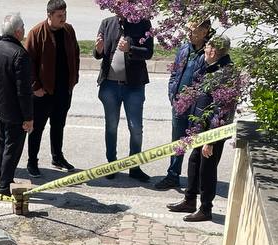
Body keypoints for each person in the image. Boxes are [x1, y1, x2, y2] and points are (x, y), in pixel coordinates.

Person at [168, 35, 237, 222]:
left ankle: (206, 209)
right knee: (194, 162)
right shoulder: (210, 66)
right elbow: (196, 83)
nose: (205, 48)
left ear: (215, 50)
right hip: (200, 126)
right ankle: (189, 200)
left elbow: (223, 109)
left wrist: (211, 139)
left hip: (213, 131)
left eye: (208, 46)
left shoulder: (226, 72)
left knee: (207, 170)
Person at [93, 11, 153, 181]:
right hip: (110, 86)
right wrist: (98, 49)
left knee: (136, 129)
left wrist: (130, 49)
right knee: (111, 127)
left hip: (133, 86)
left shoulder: (143, 23)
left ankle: (134, 167)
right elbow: (99, 53)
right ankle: (111, 164)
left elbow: (149, 52)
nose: (117, 6)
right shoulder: (107, 23)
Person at [153, 19, 212, 191]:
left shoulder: (209, 52)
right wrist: (172, 94)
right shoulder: (185, 48)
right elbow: (175, 73)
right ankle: (173, 175)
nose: (189, 34)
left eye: (193, 31)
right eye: (189, 30)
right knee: (177, 142)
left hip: (198, 107)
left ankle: (198, 181)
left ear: (205, 31)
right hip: (179, 104)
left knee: (198, 144)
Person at [24, 0, 80, 177]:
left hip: (64, 90)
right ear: (49, 15)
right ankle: (32, 161)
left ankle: (57, 157)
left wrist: (74, 79)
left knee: (58, 125)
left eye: (64, 14)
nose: (63, 18)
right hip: (43, 92)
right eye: (59, 15)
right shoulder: (36, 33)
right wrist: (35, 87)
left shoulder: (69, 30)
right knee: (37, 128)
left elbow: (76, 54)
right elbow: (28, 62)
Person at [0, 13, 35, 196]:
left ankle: (4, 179)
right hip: (15, 112)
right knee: (12, 149)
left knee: (2, 144)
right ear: (17, 31)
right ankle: (4, 186)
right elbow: (24, 91)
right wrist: (28, 118)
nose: (24, 30)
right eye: (23, 27)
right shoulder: (20, 54)